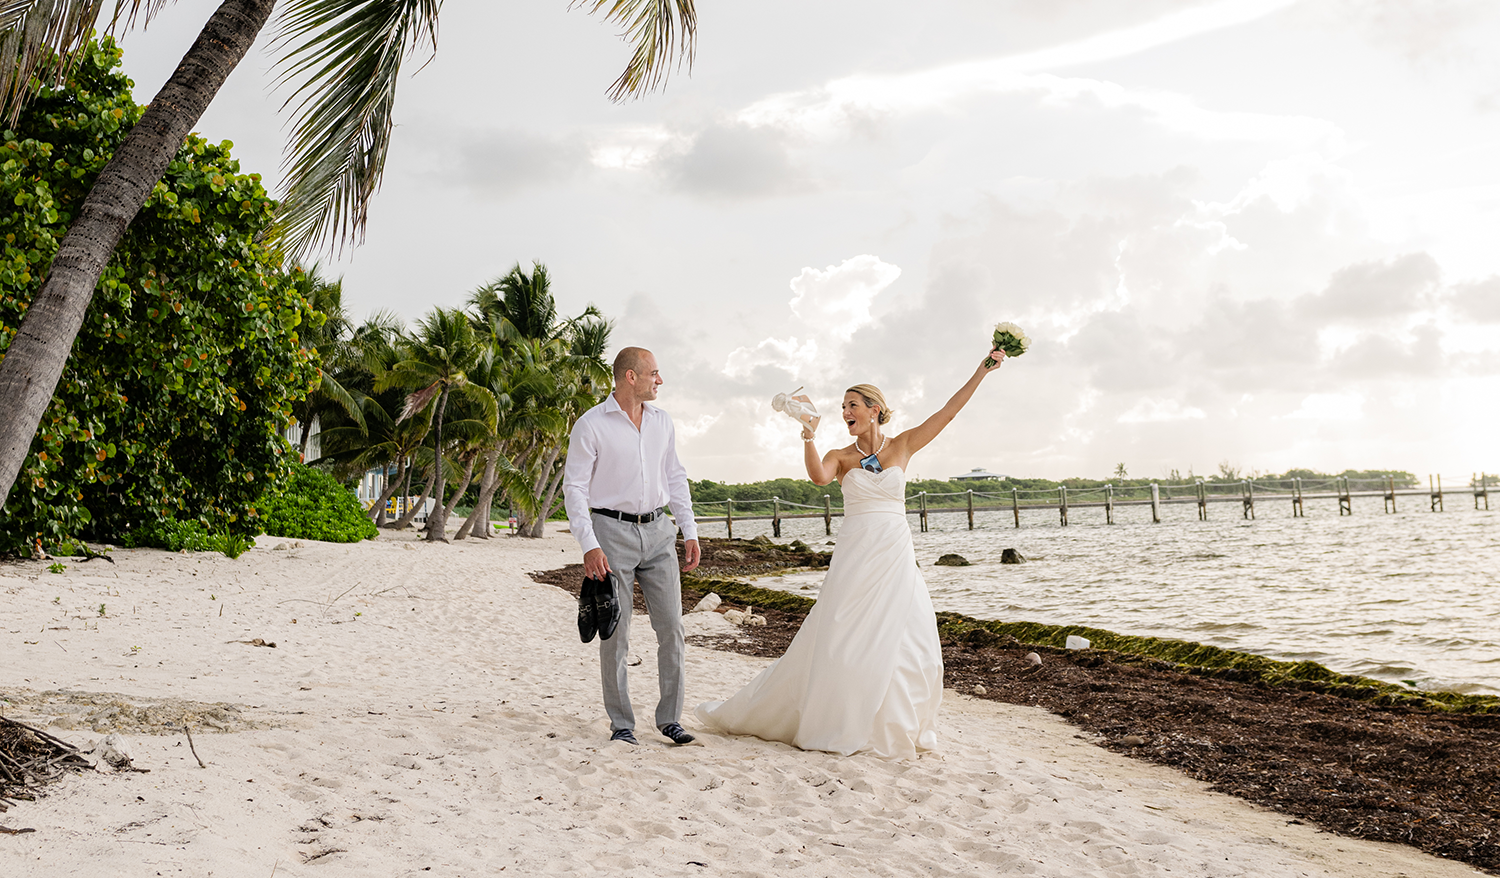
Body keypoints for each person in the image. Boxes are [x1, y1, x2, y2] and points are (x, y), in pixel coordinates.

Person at [696, 347, 1007, 758]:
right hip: (856, 555)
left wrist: (983, 369)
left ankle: (892, 723)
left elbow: (948, 412)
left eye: (853, 405)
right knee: (841, 639)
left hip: (895, 554)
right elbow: (817, 477)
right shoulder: (840, 457)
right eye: (843, 407)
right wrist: (808, 434)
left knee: (910, 642)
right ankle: (836, 718)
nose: (846, 411)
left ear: (874, 410)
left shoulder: (903, 446)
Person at [563, 346, 702, 746]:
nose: (660, 380)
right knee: (616, 633)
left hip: (659, 531)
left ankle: (669, 719)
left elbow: (675, 477)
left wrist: (689, 531)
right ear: (630, 377)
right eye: (654, 373)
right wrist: (588, 544)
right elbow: (574, 488)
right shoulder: (591, 425)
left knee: (672, 627)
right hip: (611, 533)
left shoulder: (662, 422)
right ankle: (622, 724)